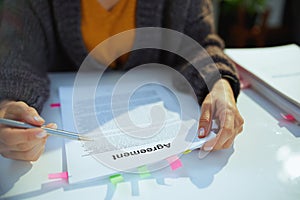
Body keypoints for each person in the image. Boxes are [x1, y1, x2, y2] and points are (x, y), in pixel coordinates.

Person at [0, 0, 244, 161]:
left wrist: (218, 82)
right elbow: (16, 53)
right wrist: (9, 103)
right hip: (58, 153)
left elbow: (200, 43)